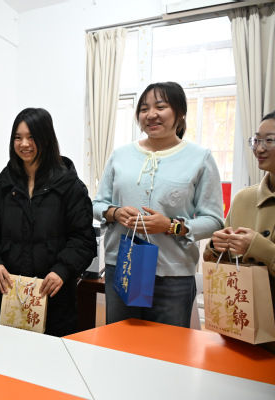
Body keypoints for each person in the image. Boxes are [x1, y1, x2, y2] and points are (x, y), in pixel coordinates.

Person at [93, 81, 224, 328]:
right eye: (144, 109)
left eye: (160, 107)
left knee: (168, 346)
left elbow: (214, 220)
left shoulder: (200, 158)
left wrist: (170, 226)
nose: (151, 114)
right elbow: (98, 204)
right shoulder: (120, 155)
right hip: (124, 265)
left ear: (180, 112)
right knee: (119, 341)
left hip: (174, 274)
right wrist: (116, 213)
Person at [0, 107, 97, 337]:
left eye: (31, 137)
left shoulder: (70, 187)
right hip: (7, 298)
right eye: (18, 138)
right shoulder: (1, 185)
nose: (24, 144)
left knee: (49, 357)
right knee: (1, 354)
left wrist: (62, 270)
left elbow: (83, 239)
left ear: (46, 139)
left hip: (53, 300)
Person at [204, 111, 275, 354]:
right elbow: (219, 262)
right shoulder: (244, 198)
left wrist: (258, 248)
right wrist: (216, 246)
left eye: (269, 140)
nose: (259, 148)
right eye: (256, 140)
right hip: (241, 325)